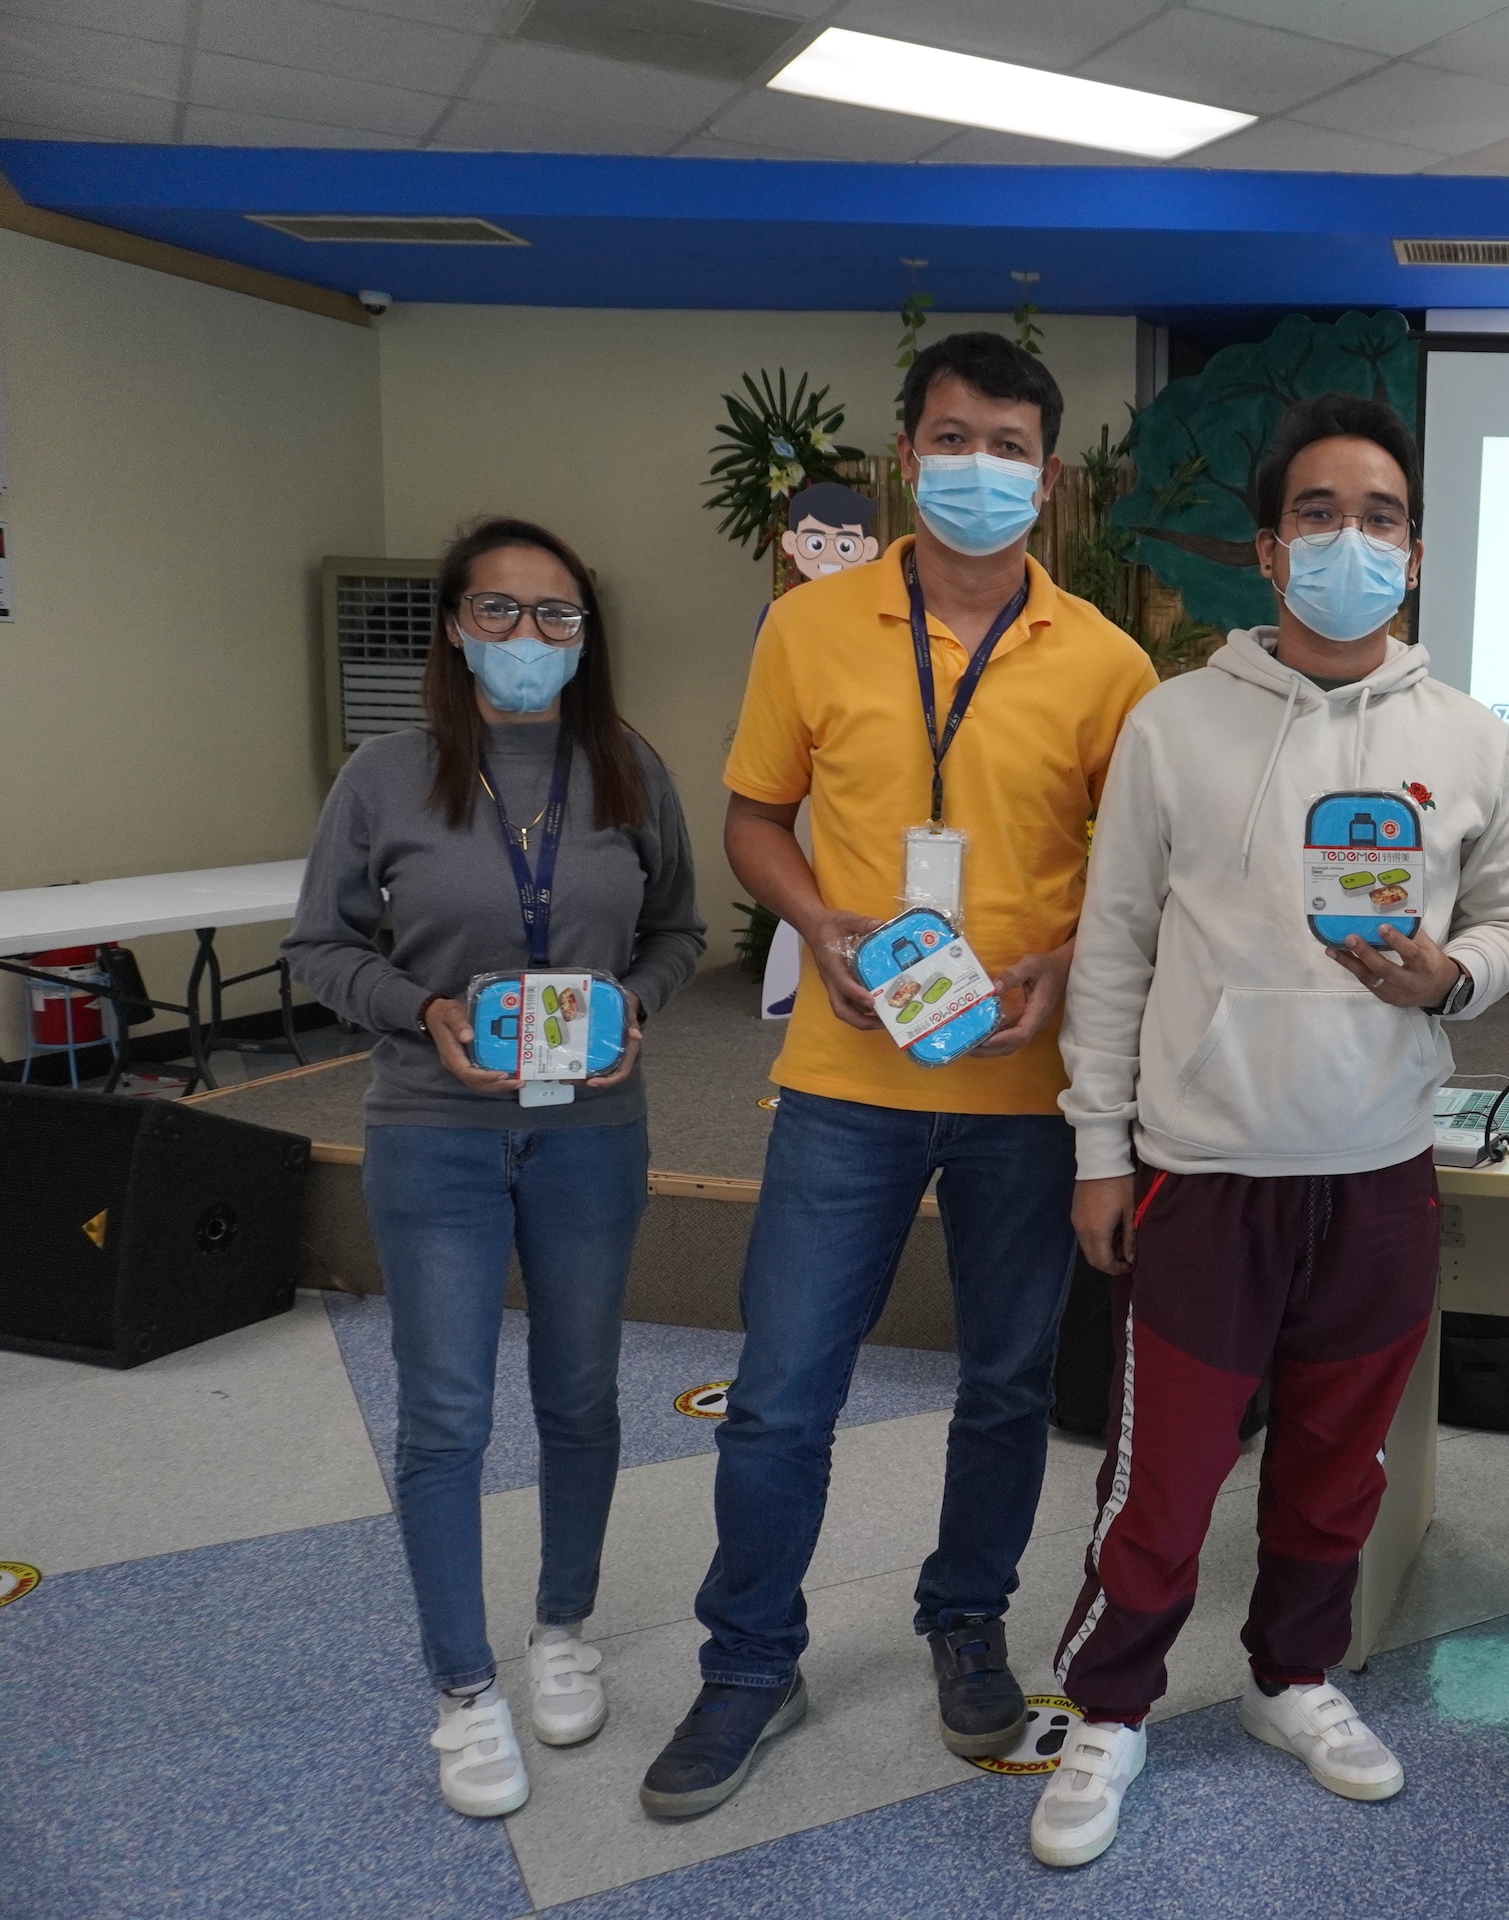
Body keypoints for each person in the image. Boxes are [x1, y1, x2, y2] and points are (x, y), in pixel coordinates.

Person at [642, 332, 1156, 1817]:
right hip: (846, 1077)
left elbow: (1137, 875)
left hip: (1025, 1088)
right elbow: (754, 819)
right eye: (951, 437)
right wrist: (819, 925)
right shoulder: (809, 629)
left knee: (1002, 1388)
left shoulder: (1109, 663)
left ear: (1047, 479)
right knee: (780, 1393)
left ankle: (966, 1619)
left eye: (1008, 445)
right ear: (905, 455)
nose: (977, 466)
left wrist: (1057, 960)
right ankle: (750, 1662)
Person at [1034, 393, 1509, 1869]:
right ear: (1267, 548)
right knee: (1166, 1476)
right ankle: (1109, 1708)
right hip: (1206, 1167)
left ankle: (1291, 1677)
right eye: (1319, 514)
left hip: (1378, 1164)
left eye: (1380, 518)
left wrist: (1454, 975)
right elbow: (1115, 948)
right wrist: (1100, 1150)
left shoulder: (1469, 737)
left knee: (1338, 1463)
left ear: (1416, 553)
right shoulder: (1174, 723)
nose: (1349, 540)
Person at [283, 516, 704, 1818]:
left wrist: (637, 1003)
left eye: (557, 614)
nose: (531, 636)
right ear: (457, 628)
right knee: (447, 1415)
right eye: (502, 612)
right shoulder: (385, 774)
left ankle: (562, 1627)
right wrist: (424, 1012)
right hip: (434, 1131)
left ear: (587, 634)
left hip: (591, 1130)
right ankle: (464, 1691)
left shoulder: (627, 766)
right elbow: (319, 948)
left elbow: (679, 929)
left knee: (580, 1395)